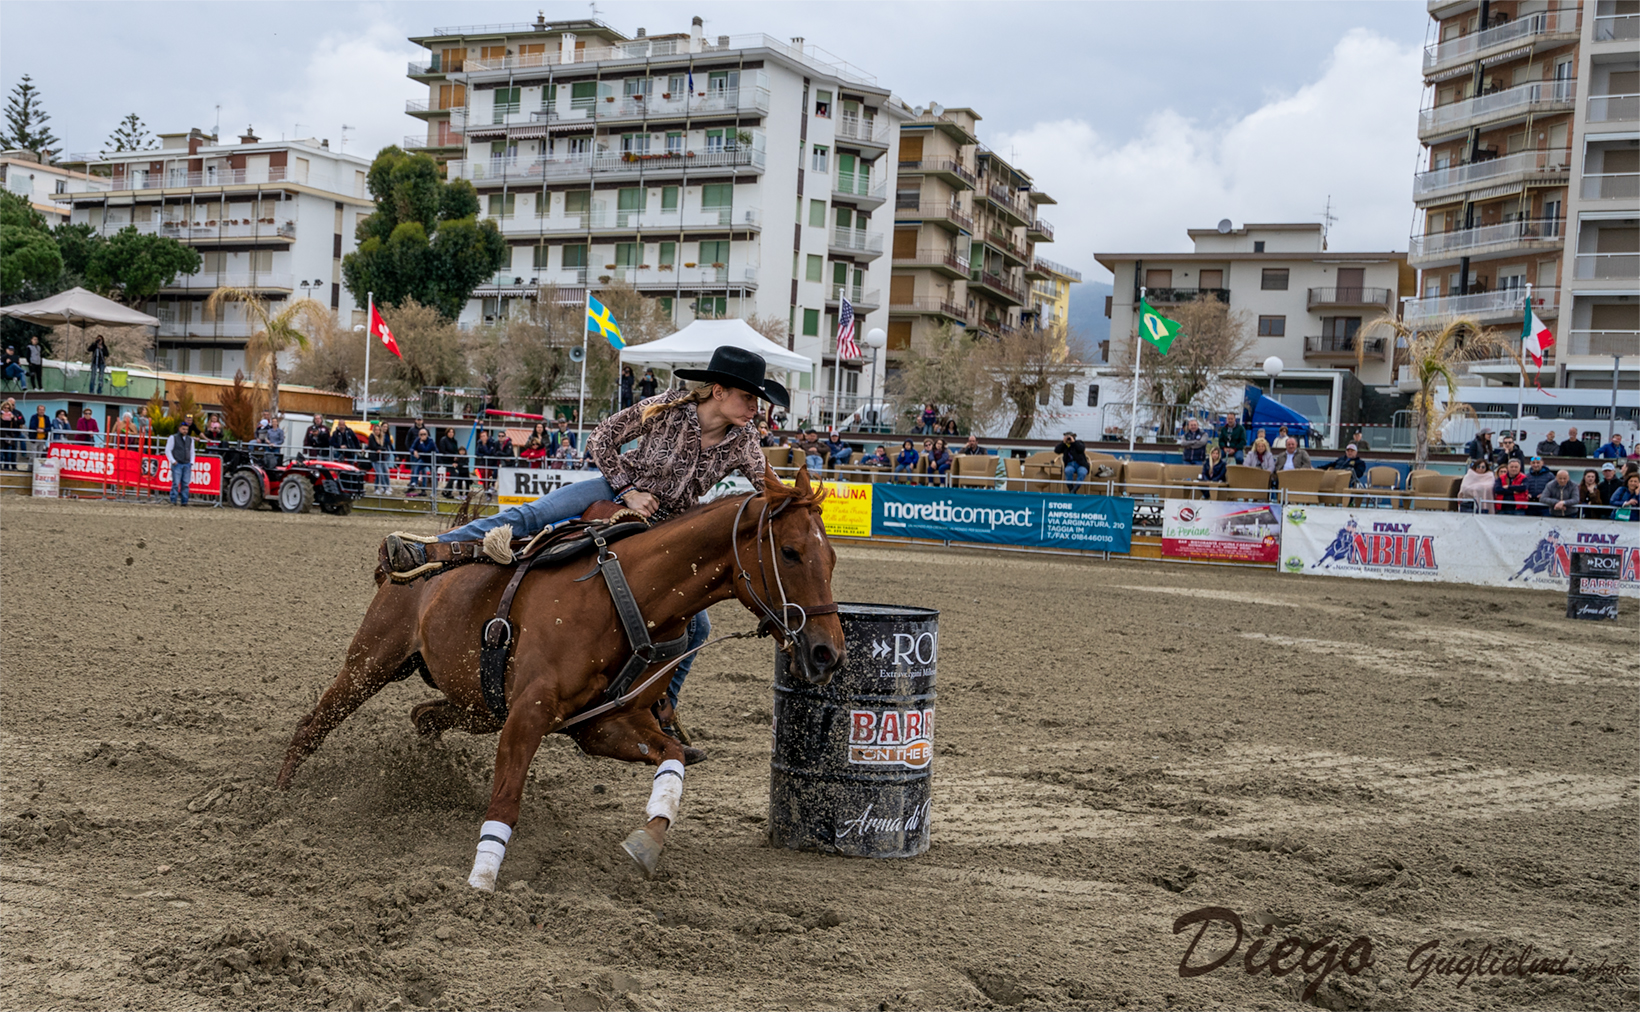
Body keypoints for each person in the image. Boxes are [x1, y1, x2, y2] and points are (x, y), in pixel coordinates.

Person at [388, 347, 789, 761]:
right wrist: (630, 491)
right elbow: (601, 437)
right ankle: (430, 549)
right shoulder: (666, 406)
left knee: (698, 626)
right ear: (718, 391)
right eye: (749, 397)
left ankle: (661, 705)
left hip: (669, 528)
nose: (755, 407)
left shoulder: (743, 442)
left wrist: (799, 507)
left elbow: (769, 485)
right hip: (617, 490)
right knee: (536, 513)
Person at [165, 420, 194, 506]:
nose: (185, 431)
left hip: (187, 463)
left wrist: (191, 462)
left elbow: (192, 451)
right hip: (177, 463)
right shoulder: (173, 438)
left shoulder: (190, 439)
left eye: (186, 429)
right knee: (176, 483)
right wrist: (173, 461)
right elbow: (168, 450)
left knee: (185, 483)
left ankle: (184, 501)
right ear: (179, 429)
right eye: (183, 429)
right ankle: (173, 500)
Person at [406, 427, 435, 496]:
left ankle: (431, 491)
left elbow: (425, 450)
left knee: (432, 474)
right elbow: (411, 447)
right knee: (416, 468)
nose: (423, 436)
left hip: (431, 459)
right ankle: (415, 483)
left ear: (427, 434)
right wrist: (414, 451)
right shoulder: (416, 438)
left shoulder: (430, 441)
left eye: (424, 434)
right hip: (422, 458)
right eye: (421, 434)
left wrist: (421, 443)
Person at [366, 423, 392, 493]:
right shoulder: (371, 437)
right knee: (380, 473)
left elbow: (384, 447)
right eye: (376, 430)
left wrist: (381, 449)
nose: (377, 431)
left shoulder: (381, 438)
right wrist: (381, 449)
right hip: (374, 458)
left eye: (378, 430)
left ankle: (380, 488)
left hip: (381, 457)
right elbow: (372, 446)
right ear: (374, 430)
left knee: (382, 473)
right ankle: (384, 488)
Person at [0, 398, 20, 470]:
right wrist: (2, 418)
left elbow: (15, 426)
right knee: (1, 454)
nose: (6, 409)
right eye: (5, 408)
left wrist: (12, 419)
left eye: (8, 408)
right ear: (2, 407)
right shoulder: (0, 415)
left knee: (8, 454)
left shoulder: (12, 416)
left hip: (9, 436)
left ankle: (6, 468)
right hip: (1, 437)